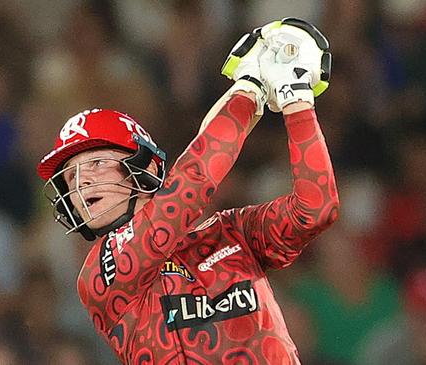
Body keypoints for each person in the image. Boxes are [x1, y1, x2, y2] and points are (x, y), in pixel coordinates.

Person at [37, 18, 339, 364]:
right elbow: (188, 191)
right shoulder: (97, 273)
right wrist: (250, 87)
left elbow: (315, 210)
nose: (81, 182)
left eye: (96, 163)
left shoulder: (231, 233)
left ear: (146, 167)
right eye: (70, 177)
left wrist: (297, 100)